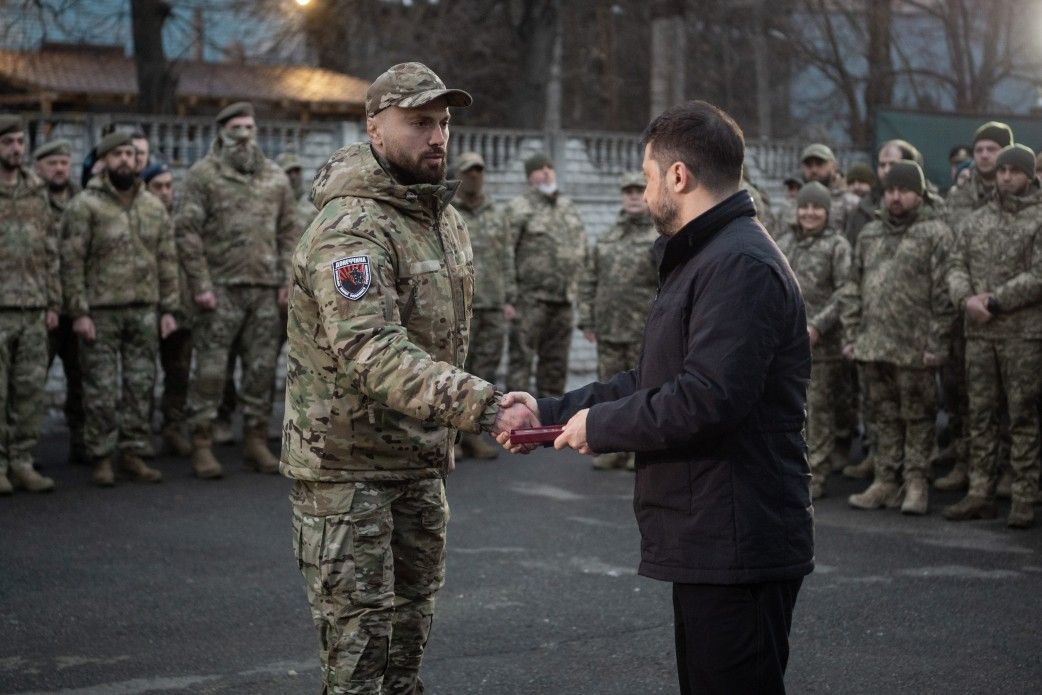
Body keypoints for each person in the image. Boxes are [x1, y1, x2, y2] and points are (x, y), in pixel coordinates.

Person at [501, 100, 813, 695]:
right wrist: (550, 411)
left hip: (737, 538)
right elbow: (653, 379)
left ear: (678, 176)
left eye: (648, 177)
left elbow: (706, 398)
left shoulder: (738, 264)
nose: (645, 194)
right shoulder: (708, 256)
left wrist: (600, 427)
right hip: (713, 533)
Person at [281, 61, 537, 694]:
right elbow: (373, 351)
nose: (437, 137)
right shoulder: (352, 228)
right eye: (419, 122)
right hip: (348, 472)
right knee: (360, 657)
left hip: (417, 462)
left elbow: (441, 339)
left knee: (408, 643)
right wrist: (485, 406)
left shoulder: (439, 218)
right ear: (374, 127)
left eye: (443, 122)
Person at [176, 101, 298, 479]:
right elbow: (187, 232)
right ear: (222, 133)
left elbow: (289, 232)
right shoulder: (202, 176)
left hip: (264, 290)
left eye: (249, 128)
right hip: (219, 290)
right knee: (211, 371)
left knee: (262, 369)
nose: (244, 136)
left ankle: (255, 440)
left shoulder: (275, 178)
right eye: (236, 129)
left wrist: (286, 280)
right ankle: (202, 442)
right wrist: (200, 284)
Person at [61, 131, 179, 486]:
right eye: (118, 154)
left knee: (141, 384)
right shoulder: (85, 205)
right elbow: (71, 261)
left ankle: (133, 453)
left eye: (130, 154)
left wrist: (169, 308)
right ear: (104, 161)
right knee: (99, 387)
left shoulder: (152, 206)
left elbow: (166, 259)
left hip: (144, 308)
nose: (125, 160)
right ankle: (100, 456)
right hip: (101, 311)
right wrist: (79, 312)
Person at [842, 160, 956, 515]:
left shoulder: (936, 234)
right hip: (873, 344)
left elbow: (944, 295)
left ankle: (916, 483)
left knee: (919, 417)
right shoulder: (870, 234)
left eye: (904, 190)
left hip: (915, 348)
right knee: (883, 417)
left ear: (919, 194)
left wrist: (937, 343)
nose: (895, 197)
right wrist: (852, 334)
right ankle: (885, 480)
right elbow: (852, 286)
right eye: (890, 190)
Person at [944, 144, 1042, 529]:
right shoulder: (976, 220)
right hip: (980, 334)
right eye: (1002, 170)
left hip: (1023, 336)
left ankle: (1024, 496)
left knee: (1022, 416)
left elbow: (1039, 274)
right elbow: (955, 265)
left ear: (1029, 175)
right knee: (980, 414)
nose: (1006, 177)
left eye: (1014, 171)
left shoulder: (1038, 219)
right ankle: (980, 493)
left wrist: (996, 301)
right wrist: (966, 299)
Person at [938, 121, 1015, 493]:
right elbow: (949, 253)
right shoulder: (958, 197)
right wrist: (964, 297)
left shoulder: (1020, 192)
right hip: (963, 309)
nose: (985, 155)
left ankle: (1010, 466)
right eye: (980, 149)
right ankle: (966, 460)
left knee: (1011, 396)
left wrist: (996, 298)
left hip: (1009, 311)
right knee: (962, 389)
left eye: (992, 149)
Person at [775, 181, 851, 499]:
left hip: (821, 347)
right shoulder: (783, 242)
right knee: (786, 411)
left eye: (817, 207)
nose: (809, 213)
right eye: (804, 207)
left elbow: (846, 291)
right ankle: (786, 471)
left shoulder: (837, 246)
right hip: (783, 346)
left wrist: (818, 326)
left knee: (818, 412)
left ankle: (815, 474)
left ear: (827, 212)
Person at [577, 170, 657, 471]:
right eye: (628, 192)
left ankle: (640, 449)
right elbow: (590, 278)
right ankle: (613, 447)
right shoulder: (607, 237)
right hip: (609, 329)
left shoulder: (658, 237)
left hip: (643, 331)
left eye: (638, 190)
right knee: (610, 393)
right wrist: (587, 319)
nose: (633, 196)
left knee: (645, 392)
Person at [0, 115, 60, 494]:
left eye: (20, 142)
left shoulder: (37, 190)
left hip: (33, 306)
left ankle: (21, 461)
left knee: (29, 391)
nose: (16, 150)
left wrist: (53, 301)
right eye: (8, 143)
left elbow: (50, 250)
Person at [504, 152, 588, 397]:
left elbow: (582, 250)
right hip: (530, 301)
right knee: (521, 363)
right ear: (529, 176)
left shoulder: (568, 207)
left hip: (563, 301)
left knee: (556, 365)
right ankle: (516, 417)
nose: (546, 173)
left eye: (549, 168)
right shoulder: (518, 208)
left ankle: (549, 415)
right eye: (539, 169)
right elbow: (505, 252)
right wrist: (509, 297)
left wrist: (580, 294)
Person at [454, 150, 511, 460]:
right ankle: (452, 439)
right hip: (461, 306)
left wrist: (509, 298)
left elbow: (506, 257)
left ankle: (474, 436)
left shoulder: (496, 213)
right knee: (457, 372)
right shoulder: (448, 212)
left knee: (485, 373)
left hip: (492, 304)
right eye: (469, 172)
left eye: (479, 171)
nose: (475, 177)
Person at [34, 138, 86, 464]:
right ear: (38, 167)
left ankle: (82, 443)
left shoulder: (83, 202)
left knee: (82, 381)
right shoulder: (30, 202)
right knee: (29, 383)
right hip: (42, 308)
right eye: (52, 163)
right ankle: (22, 451)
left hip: (79, 307)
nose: (59, 169)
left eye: (64, 163)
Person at [141, 162, 193, 457]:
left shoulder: (182, 220)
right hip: (149, 307)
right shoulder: (141, 216)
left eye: (168, 186)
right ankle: (140, 433)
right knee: (143, 375)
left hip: (181, 309)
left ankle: (173, 428)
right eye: (158, 186)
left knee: (179, 372)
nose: (164, 192)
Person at [800, 142, 858, 236]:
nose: (814, 170)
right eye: (809, 165)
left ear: (834, 166)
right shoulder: (795, 202)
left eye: (819, 164)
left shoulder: (851, 203)